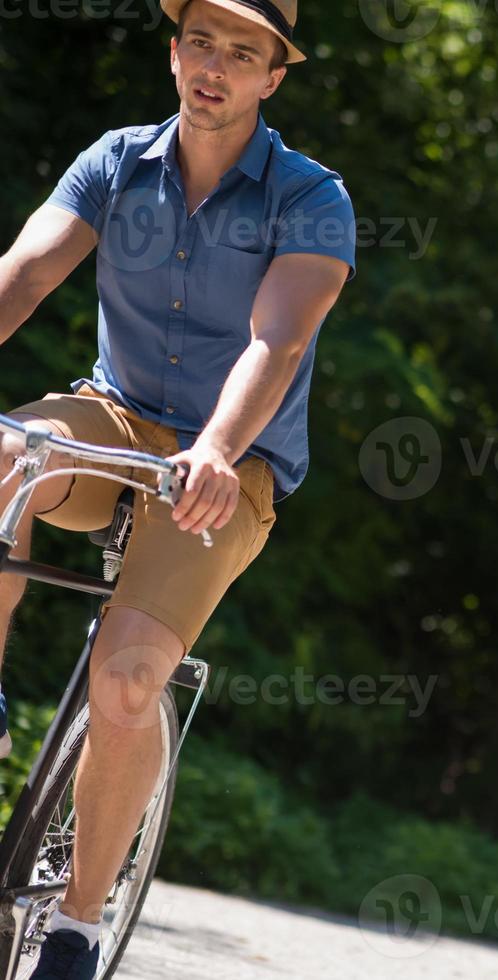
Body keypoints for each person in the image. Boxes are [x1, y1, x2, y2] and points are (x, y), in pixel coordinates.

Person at [0, 0, 352, 974]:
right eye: (202, 42)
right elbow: (23, 276)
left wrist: (217, 448)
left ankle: (74, 923)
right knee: (6, 450)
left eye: (244, 53)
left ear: (273, 76)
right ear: (173, 50)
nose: (216, 66)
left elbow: (274, 339)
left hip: (223, 465)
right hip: (112, 418)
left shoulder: (311, 194)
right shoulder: (115, 162)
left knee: (123, 682)